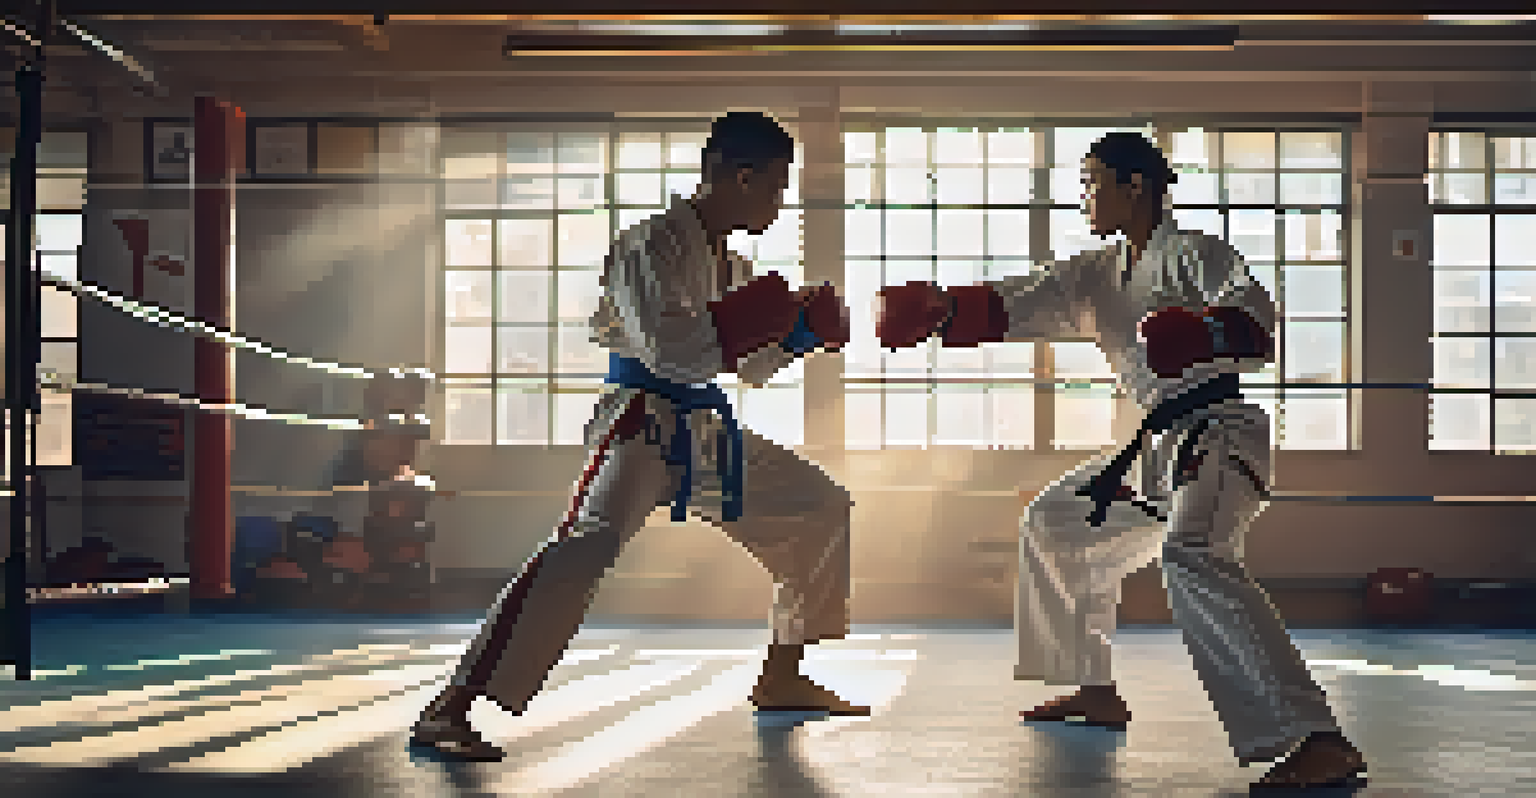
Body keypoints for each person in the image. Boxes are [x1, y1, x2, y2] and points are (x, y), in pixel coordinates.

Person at [874, 132, 1367, 789]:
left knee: (1194, 555)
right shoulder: (1095, 274)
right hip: (1151, 449)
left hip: (1216, 435)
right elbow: (1018, 299)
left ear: (1135, 185)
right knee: (1056, 524)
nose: (1084, 197)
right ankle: (1094, 686)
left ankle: (1314, 737)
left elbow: (1256, 320)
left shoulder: (1196, 254)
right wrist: (940, 311)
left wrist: (1204, 332)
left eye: (1092, 182)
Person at [411, 111, 864, 761]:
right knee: (581, 549)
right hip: (641, 425)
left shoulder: (730, 264)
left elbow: (749, 366)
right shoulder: (649, 246)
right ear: (739, 176)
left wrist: (801, 335)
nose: (779, 201)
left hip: (705, 432)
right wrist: (772, 323)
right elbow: (672, 351)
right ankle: (450, 706)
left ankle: (783, 673)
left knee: (818, 506)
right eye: (773, 186)